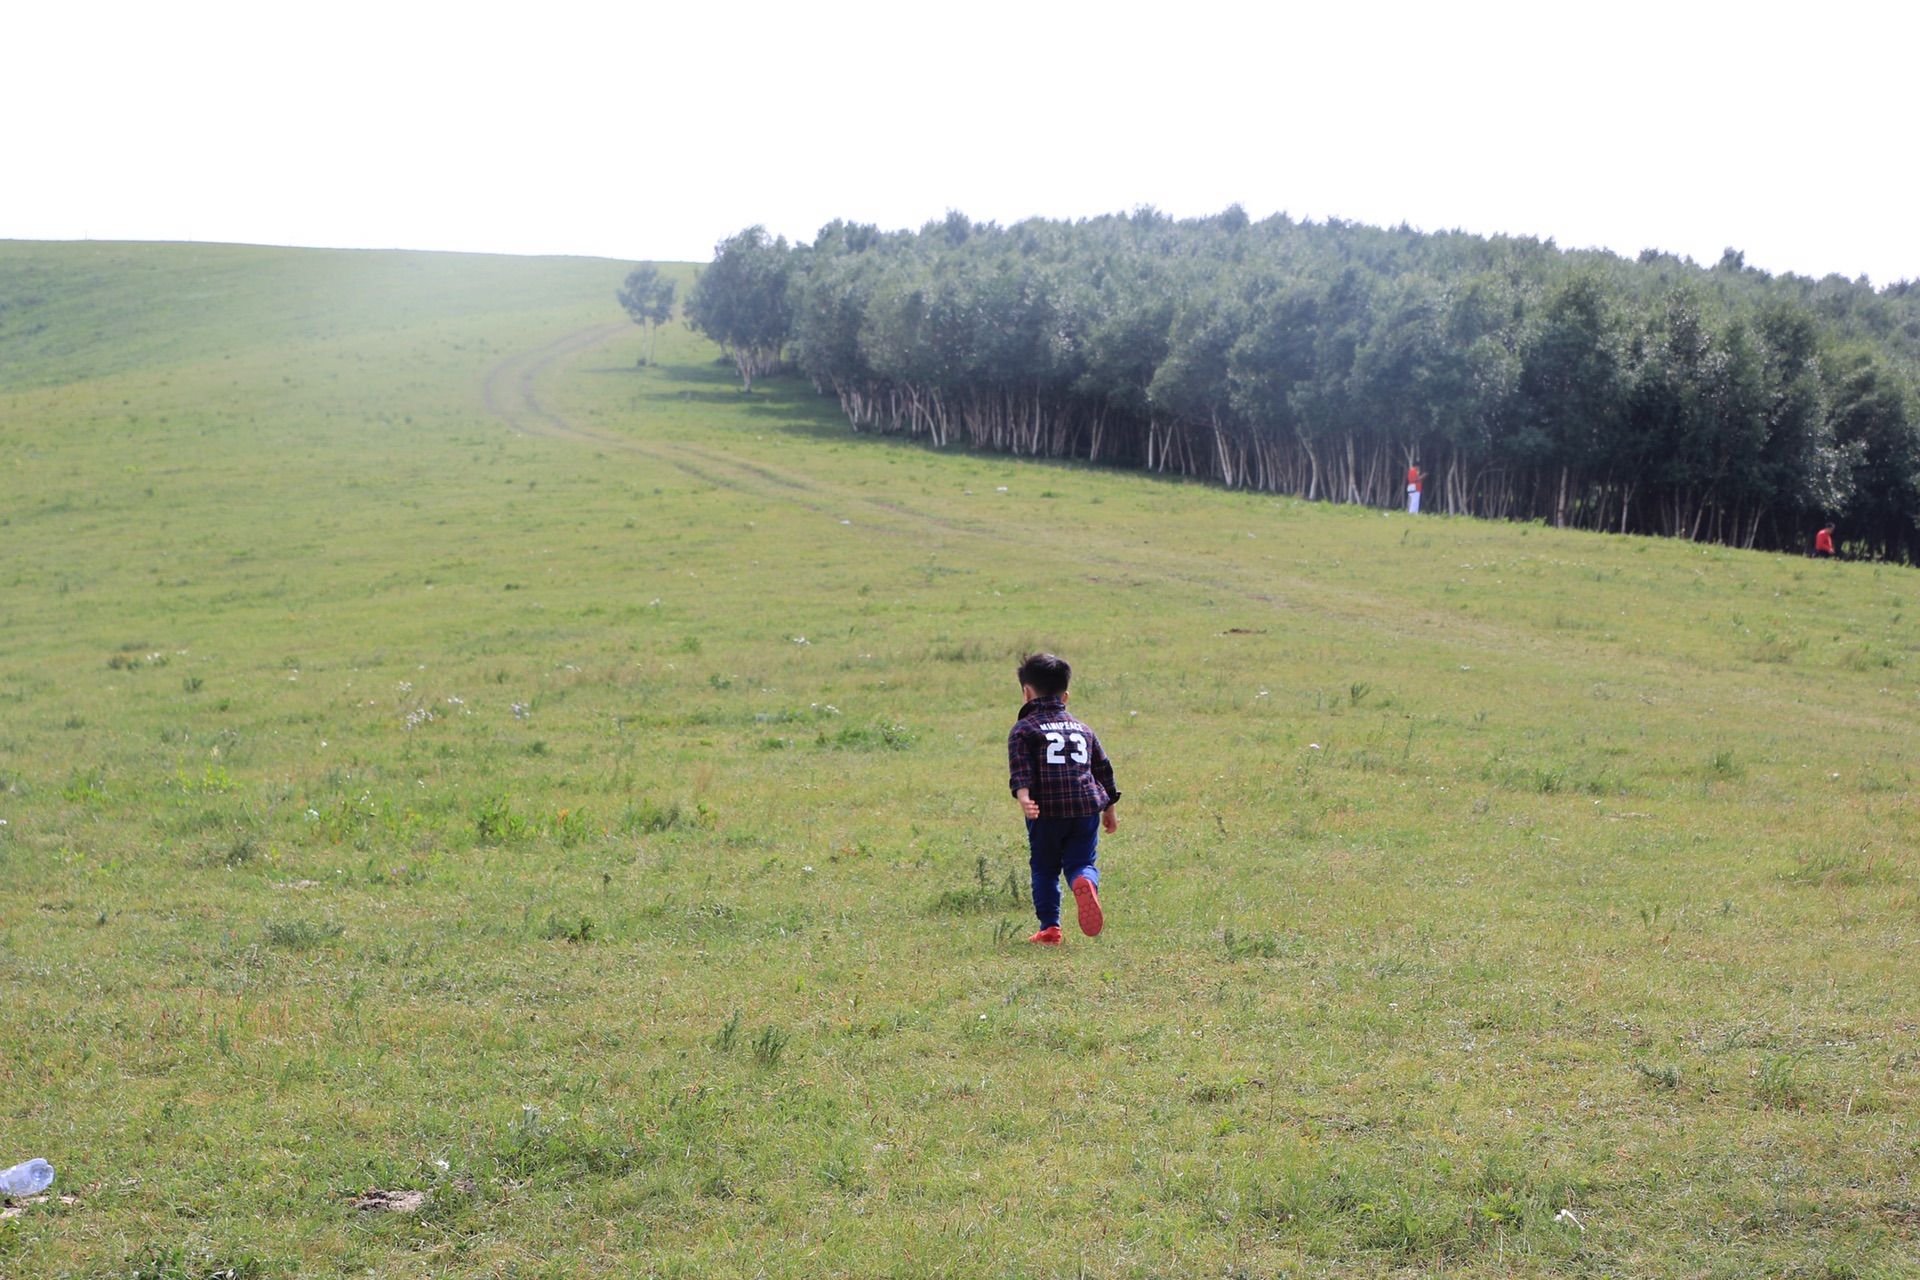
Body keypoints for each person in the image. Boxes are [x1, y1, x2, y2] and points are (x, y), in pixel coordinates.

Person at [1007, 652, 1120, 945]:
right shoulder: (1084, 729)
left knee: (1045, 868)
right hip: (1085, 807)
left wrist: (1022, 795)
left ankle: (1050, 928)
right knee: (1081, 861)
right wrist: (1110, 806)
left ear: (1026, 692)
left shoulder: (1024, 729)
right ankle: (1085, 881)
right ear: (1065, 696)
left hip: (1045, 811)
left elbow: (1021, 769)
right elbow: (1103, 768)